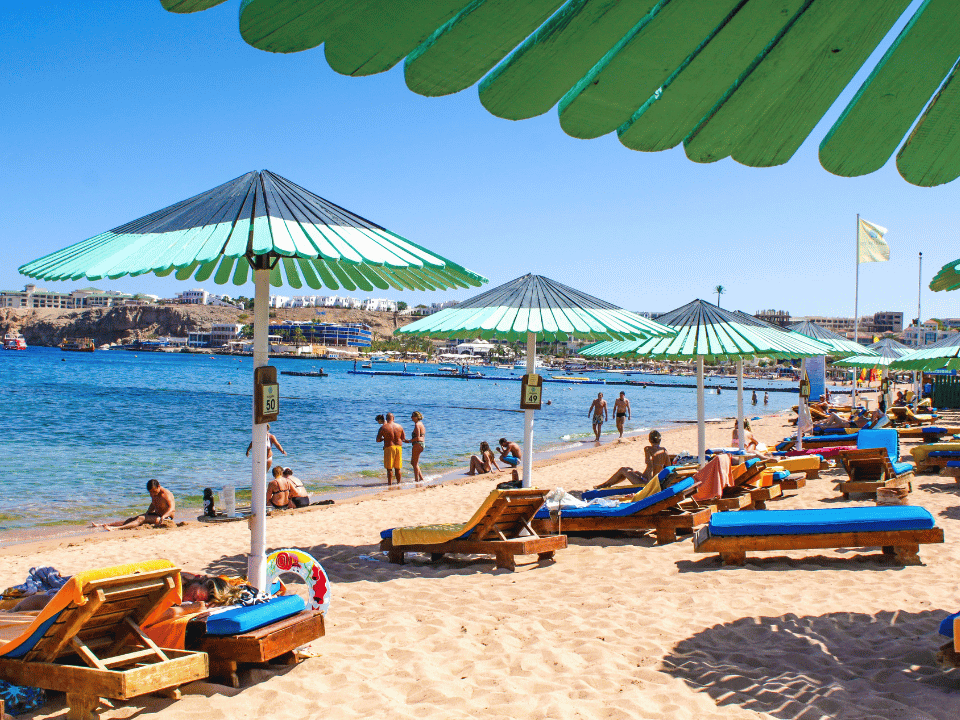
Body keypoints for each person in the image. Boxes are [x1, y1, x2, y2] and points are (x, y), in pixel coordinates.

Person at [92, 479, 175, 531]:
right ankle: (104, 525)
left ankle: (115, 528)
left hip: (165, 518)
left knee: (141, 519)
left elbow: (172, 509)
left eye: (154, 491)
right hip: (157, 515)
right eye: (150, 492)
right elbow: (154, 503)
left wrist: (164, 516)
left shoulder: (166, 494)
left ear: (159, 486)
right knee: (133, 519)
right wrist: (148, 512)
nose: (152, 494)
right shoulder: (154, 493)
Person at [377, 412, 406, 485]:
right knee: (398, 468)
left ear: (386, 419)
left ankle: (389, 484)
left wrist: (384, 439)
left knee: (389, 468)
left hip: (389, 447)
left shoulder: (383, 427)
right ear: (393, 418)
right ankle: (399, 483)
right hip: (398, 447)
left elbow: (378, 440)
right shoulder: (399, 426)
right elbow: (403, 438)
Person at [407, 411, 426, 484]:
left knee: (414, 463)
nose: (411, 417)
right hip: (421, 444)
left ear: (416, 417)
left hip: (417, 444)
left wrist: (409, 441)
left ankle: (416, 480)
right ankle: (421, 478)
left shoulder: (417, 425)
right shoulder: (421, 424)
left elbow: (417, 437)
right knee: (413, 462)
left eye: (412, 416)